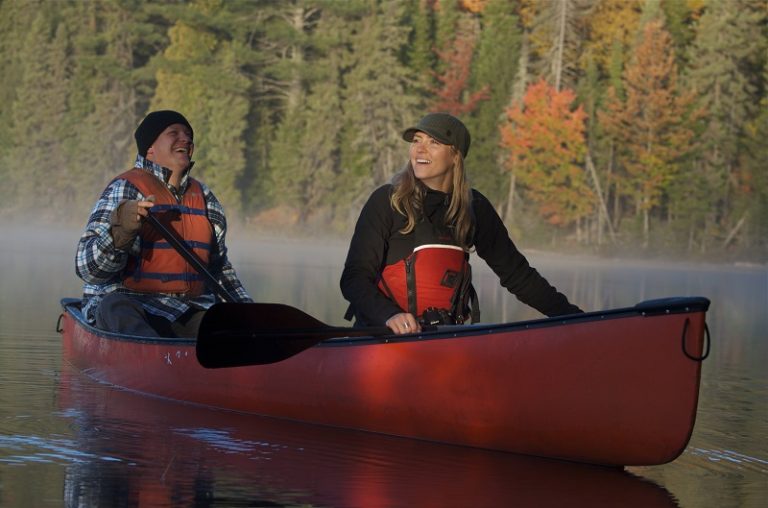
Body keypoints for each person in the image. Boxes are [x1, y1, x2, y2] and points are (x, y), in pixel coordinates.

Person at [340, 112, 582, 335]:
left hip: (445, 343)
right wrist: (389, 315)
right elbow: (354, 278)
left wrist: (575, 319)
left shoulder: (474, 207)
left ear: (455, 155)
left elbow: (519, 277)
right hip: (382, 339)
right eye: (416, 141)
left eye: (433, 143)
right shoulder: (388, 201)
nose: (420, 150)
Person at [75, 110, 252, 338]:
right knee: (115, 306)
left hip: (183, 310)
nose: (186, 139)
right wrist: (120, 232)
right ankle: (147, 360)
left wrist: (247, 313)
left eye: (188, 135)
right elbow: (89, 271)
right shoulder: (125, 188)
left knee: (222, 325)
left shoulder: (206, 199)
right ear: (150, 148)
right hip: (130, 304)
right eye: (174, 133)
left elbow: (218, 270)